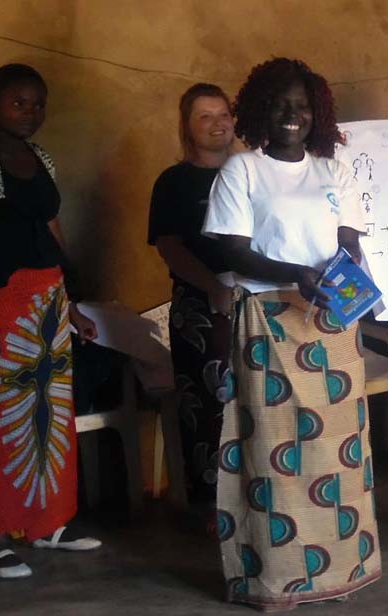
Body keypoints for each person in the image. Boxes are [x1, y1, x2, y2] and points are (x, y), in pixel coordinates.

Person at [203, 57, 380, 609]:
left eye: (302, 106)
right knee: (275, 450)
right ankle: (276, 578)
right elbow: (228, 248)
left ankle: (341, 568)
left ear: (317, 113)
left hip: (330, 322)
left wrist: (362, 287)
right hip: (269, 321)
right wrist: (292, 275)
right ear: (260, 108)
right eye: (281, 104)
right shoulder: (242, 170)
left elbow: (348, 242)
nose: (292, 115)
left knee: (337, 453)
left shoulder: (334, 170)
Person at [0, 63, 102, 579]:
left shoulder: (42, 159)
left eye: (38, 103)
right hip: (1, 304)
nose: (29, 111)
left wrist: (72, 300)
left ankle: (48, 524)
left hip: (48, 302)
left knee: (52, 416)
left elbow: (52, 232)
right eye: (18, 101)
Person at [148, 83, 237, 523]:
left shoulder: (249, 173)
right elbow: (169, 246)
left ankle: (254, 500)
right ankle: (210, 508)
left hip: (249, 299)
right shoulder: (174, 182)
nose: (218, 123)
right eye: (205, 116)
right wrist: (213, 287)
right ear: (187, 127)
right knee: (205, 406)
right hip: (199, 310)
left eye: (223, 114)